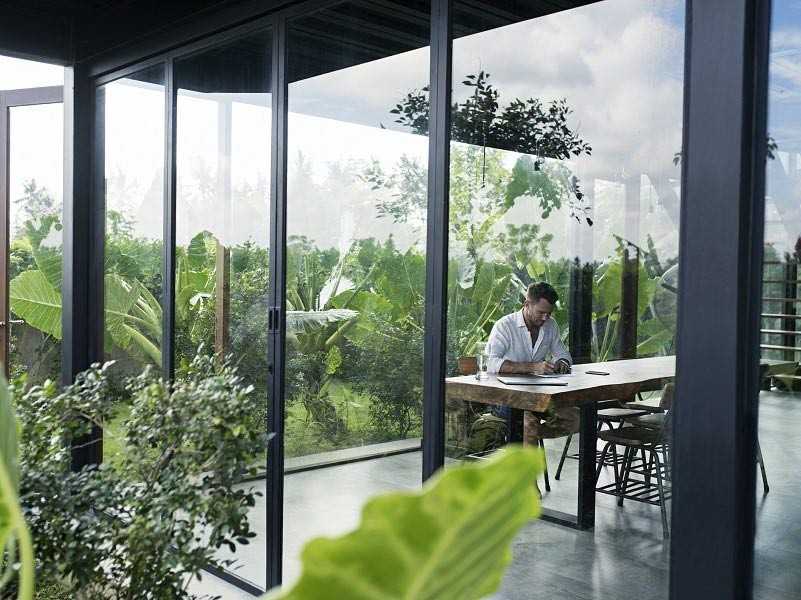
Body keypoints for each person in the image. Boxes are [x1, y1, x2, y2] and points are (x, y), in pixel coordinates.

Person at [487, 281, 579, 493]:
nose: (545, 318)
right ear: (527, 304)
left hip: (538, 399)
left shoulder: (551, 326)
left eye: (549, 313)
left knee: (576, 418)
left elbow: (563, 354)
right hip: (505, 399)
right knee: (527, 423)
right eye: (541, 312)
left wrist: (562, 363)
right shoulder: (504, 326)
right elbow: (491, 363)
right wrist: (531, 367)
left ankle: (528, 440)